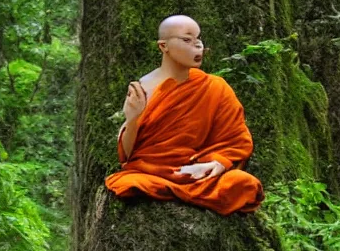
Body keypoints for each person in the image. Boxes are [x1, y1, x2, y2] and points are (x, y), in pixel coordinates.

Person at [104, 15, 263, 215]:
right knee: (130, 182)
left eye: (198, 39)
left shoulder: (215, 87)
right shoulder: (144, 88)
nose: (197, 46)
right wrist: (133, 118)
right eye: (187, 40)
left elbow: (236, 141)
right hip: (151, 171)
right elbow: (127, 155)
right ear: (163, 46)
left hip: (195, 171)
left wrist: (216, 164)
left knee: (243, 184)